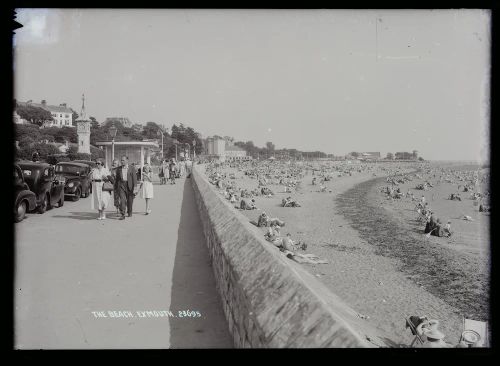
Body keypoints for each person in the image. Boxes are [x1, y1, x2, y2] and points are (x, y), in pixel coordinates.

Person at [115, 156, 138, 220]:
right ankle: (123, 214)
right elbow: (117, 179)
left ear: (127, 160)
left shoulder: (131, 168)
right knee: (122, 200)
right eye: (121, 160)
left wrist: (135, 188)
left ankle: (129, 211)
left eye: (123, 160)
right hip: (122, 185)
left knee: (129, 201)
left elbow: (134, 178)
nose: (122, 161)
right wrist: (116, 187)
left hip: (130, 185)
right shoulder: (119, 169)